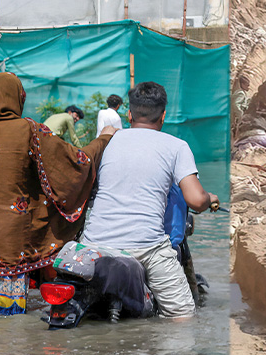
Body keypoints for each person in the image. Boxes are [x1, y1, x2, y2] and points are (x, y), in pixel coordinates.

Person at [0, 72, 112, 316]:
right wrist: (103, 139)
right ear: (17, 98)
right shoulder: (27, 130)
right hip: (13, 244)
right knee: (10, 323)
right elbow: (74, 163)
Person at [78, 82, 218, 320]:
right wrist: (209, 199)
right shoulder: (176, 146)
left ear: (129, 114)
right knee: (182, 315)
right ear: (163, 116)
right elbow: (195, 200)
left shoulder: (106, 142)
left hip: (93, 245)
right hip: (146, 247)